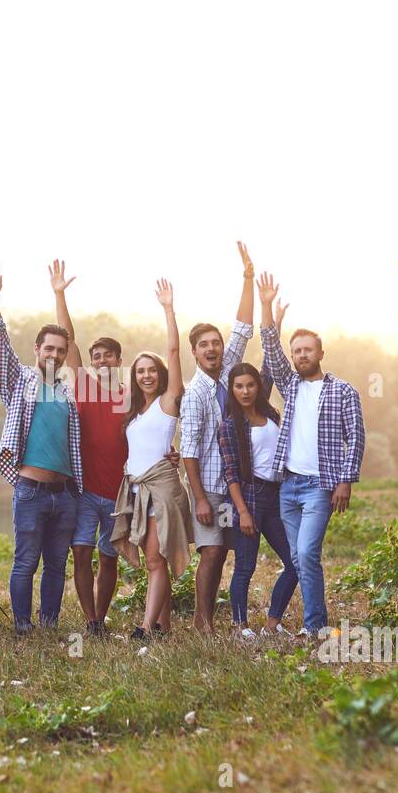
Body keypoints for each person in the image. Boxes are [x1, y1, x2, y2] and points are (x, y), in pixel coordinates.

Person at [257, 271, 365, 637]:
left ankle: (315, 625)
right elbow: (269, 346)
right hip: (288, 486)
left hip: (321, 486)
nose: (301, 355)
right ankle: (313, 625)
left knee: (306, 554)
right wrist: (267, 305)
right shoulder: (290, 385)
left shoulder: (343, 391)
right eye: (296, 351)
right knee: (299, 561)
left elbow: (357, 438)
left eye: (307, 350)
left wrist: (345, 482)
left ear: (320, 353)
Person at [0, 260, 83, 633]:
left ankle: (49, 624)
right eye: (49, 348)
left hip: (66, 494)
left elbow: (74, 349)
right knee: (26, 562)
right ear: (37, 349)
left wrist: (59, 294)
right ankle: (23, 628)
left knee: (57, 565)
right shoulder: (19, 381)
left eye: (60, 350)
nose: (55, 355)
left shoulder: (71, 390)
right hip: (30, 491)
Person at [109, 279, 193, 642]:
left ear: (159, 373)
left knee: (157, 560)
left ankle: (144, 629)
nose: (146, 374)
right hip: (136, 488)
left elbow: (174, 351)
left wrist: (169, 310)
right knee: (153, 562)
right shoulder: (135, 412)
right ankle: (164, 627)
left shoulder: (169, 401)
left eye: (151, 370)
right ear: (134, 376)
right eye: (140, 371)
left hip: (162, 487)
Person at [178, 240, 255, 634]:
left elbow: (243, 327)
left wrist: (247, 278)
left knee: (222, 551)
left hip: (234, 486)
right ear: (194, 353)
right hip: (209, 488)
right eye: (204, 345)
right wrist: (200, 499)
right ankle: (202, 622)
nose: (212, 348)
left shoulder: (230, 374)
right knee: (210, 550)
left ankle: (206, 617)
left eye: (215, 343)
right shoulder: (194, 396)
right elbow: (188, 451)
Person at [50, 259, 127, 637]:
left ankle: (102, 613)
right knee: (81, 552)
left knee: (108, 556)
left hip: (117, 494)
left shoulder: (130, 395)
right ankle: (91, 621)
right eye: (96, 356)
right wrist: (60, 294)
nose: (100, 360)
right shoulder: (82, 384)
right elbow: (71, 339)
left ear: (118, 359)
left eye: (107, 355)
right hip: (84, 492)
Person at [218, 362, 299, 641]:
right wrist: (242, 513)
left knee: (294, 561)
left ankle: (272, 623)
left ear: (258, 386)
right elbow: (230, 473)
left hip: (275, 496)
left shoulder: (269, 414)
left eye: (250, 385)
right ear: (231, 389)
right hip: (247, 499)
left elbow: (269, 364)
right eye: (238, 386)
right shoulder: (230, 426)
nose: (245, 391)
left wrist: (272, 322)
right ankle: (240, 626)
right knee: (245, 566)